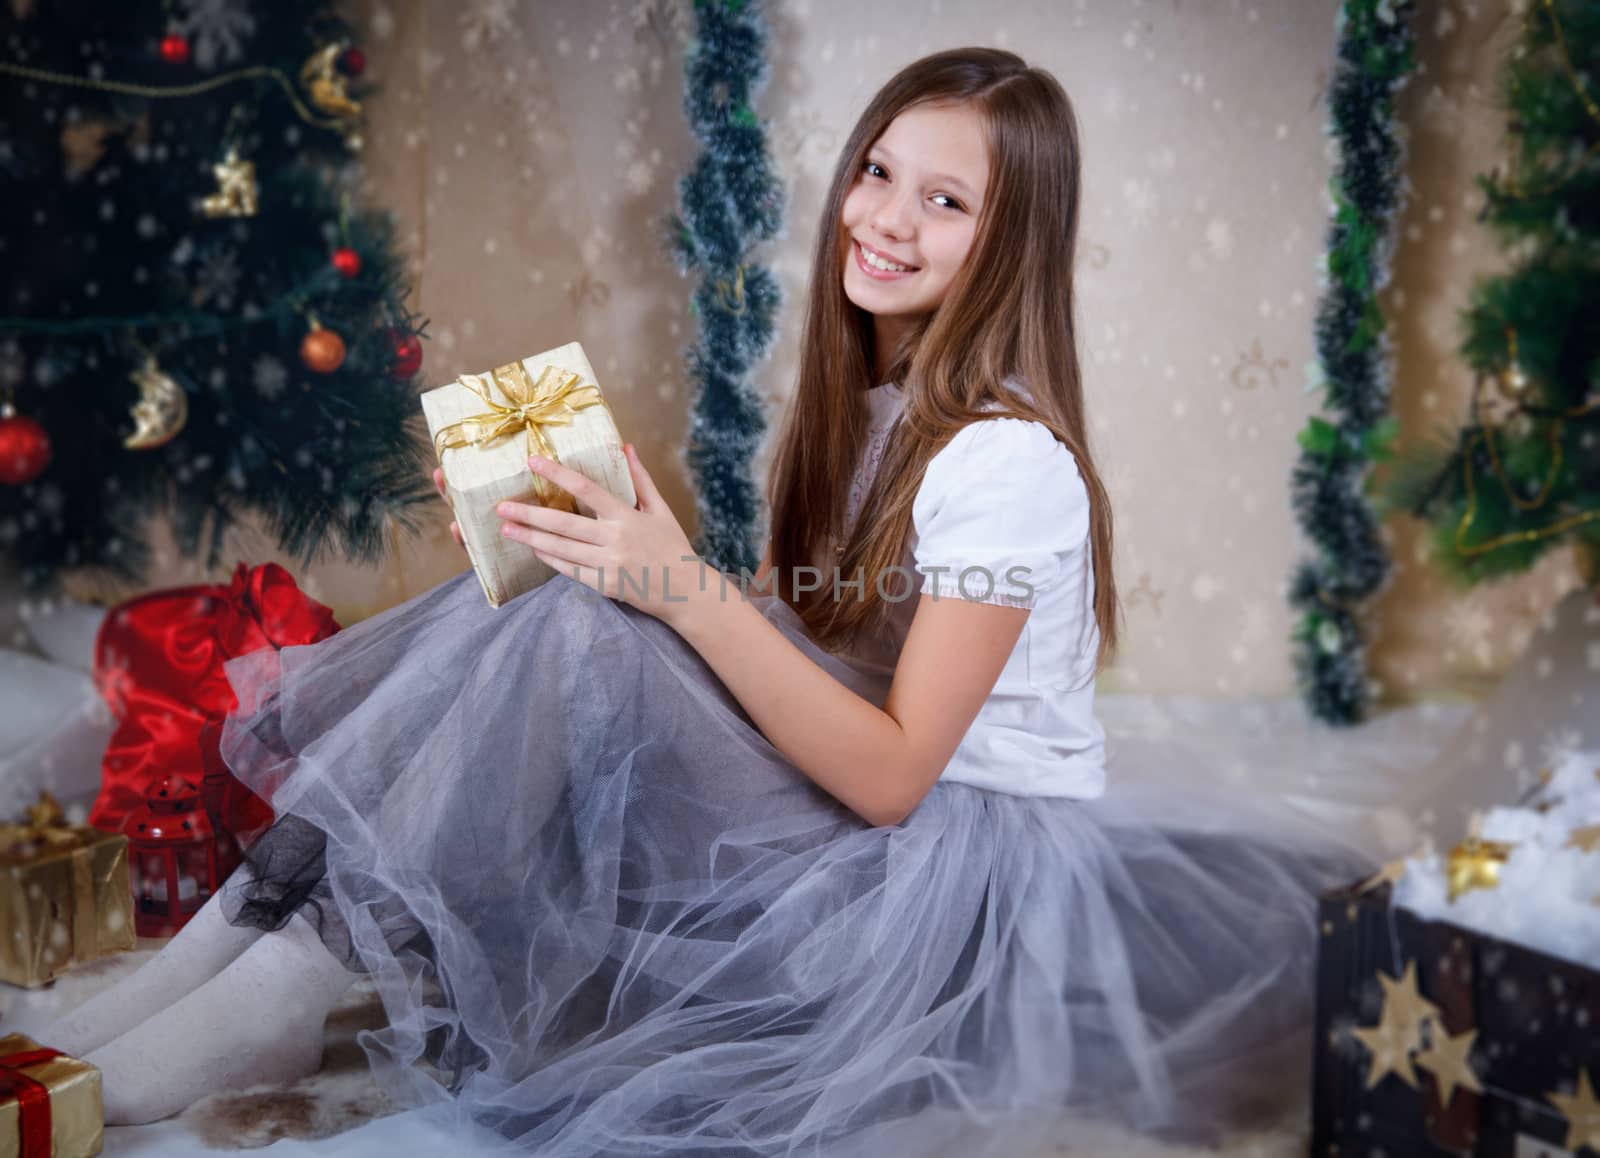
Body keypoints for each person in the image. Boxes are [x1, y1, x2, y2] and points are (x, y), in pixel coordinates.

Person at [38, 47, 1372, 1155]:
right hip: (869, 806)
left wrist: (675, 592)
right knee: (560, 590)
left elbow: (899, 769)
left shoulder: (1010, 459)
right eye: (878, 171)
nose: (888, 218)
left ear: (1008, 244)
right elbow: (824, 644)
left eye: (947, 203)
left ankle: (286, 975)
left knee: (589, 621)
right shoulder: (887, 404)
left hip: (938, 896)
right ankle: (243, 938)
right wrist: (643, 559)